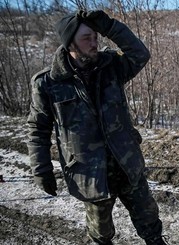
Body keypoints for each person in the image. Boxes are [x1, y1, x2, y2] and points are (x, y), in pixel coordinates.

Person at [27, 9, 168, 245]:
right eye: (86, 38)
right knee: (101, 235)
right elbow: (37, 130)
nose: (94, 43)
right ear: (70, 42)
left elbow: (140, 54)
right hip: (89, 173)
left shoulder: (111, 66)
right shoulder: (48, 83)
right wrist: (41, 170)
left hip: (127, 163)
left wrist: (109, 26)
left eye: (95, 36)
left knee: (150, 220)